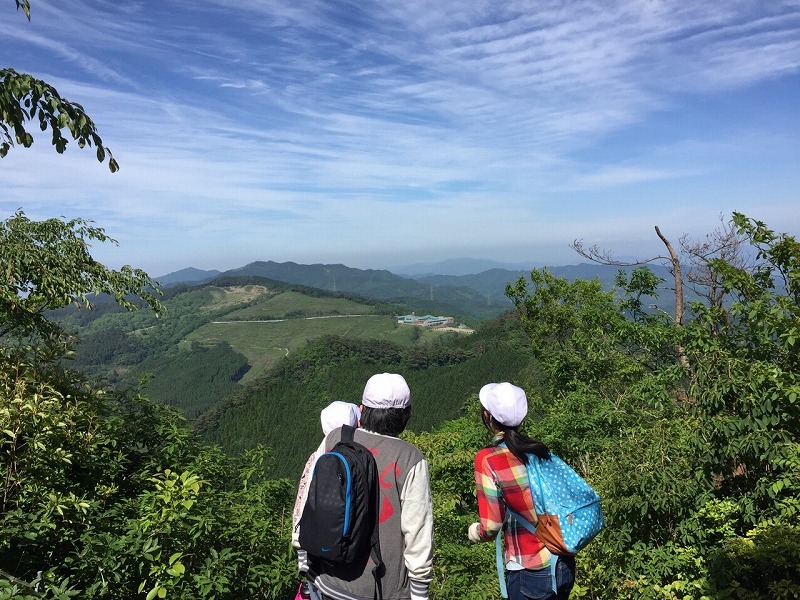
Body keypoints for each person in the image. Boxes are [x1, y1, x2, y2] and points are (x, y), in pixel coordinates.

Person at [295, 373, 434, 600]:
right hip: (381, 589)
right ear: (406, 415)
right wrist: (420, 592)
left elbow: (308, 500)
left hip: (325, 579)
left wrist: (303, 554)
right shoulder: (409, 457)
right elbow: (418, 530)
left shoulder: (335, 439)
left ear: (362, 409)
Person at [467, 382, 576, 600]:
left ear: (487, 416)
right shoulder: (539, 450)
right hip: (563, 563)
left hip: (529, 570)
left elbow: (491, 527)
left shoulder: (488, 458)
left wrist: (474, 531)